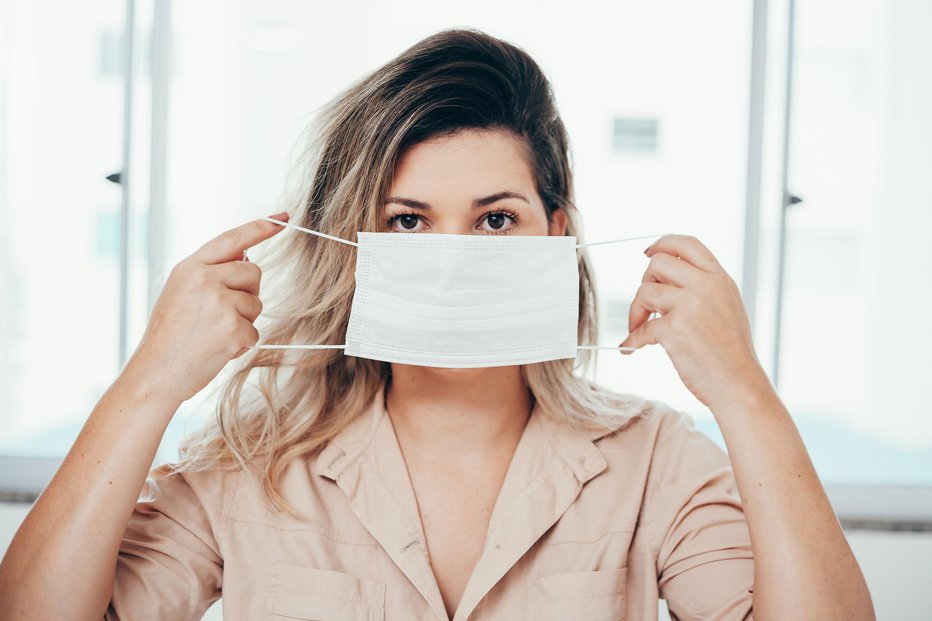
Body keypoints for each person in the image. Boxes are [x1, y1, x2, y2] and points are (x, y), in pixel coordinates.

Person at [0, 28, 873, 621]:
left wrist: (746, 395)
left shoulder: (658, 460)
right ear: (356, 241)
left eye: (495, 219)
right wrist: (148, 381)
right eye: (408, 222)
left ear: (553, 235)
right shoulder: (249, 461)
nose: (453, 256)